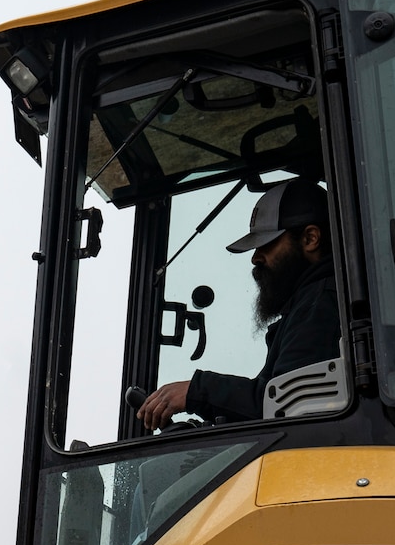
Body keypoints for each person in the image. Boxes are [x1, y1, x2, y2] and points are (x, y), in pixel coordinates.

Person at [137, 178, 342, 429]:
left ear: (310, 238)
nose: (255, 257)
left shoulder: (320, 306)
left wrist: (195, 391)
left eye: (267, 244)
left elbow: (285, 410)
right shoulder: (312, 303)